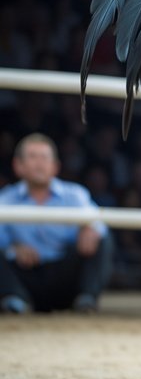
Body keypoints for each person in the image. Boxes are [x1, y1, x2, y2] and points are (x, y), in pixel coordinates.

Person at [0, 132, 109, 313]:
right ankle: (14, 300)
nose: (39, 163)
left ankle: (86, 298)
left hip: (64, 274)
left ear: (55, 166)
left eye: (44, 157)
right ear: (18, 166)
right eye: (32, 157)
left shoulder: (74, 194)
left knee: (102, 239)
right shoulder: (5, 199)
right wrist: (13, 249)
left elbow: (100, 224)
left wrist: (90, 229)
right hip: (25, 276)